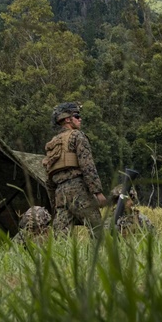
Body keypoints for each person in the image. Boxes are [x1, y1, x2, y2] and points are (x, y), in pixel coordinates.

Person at [42, 102, 105, 237]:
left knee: (61, 237)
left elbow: (48, 177)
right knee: (98, 229)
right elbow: (87, 166)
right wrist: (97, 192)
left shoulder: (53, 143)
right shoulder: (77, 136)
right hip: (78, 189)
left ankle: (60, 258)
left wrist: (54, 200)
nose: (80, 119)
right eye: (77, 116)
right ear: (67, 119)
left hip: (60, 193)